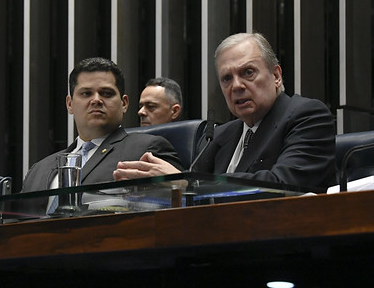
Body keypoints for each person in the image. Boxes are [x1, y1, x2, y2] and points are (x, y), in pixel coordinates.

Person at [114, 32, 337, 191]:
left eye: (248, 72)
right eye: (227, 78)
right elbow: (191, 192)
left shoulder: (307, 116)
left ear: (276, 76)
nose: (236, 86)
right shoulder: (220, 135)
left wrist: (185, 182)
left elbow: (283, 185)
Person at [21, 57, 183, 193]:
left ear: (124, 103)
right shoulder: (38, 169)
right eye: (86, 93)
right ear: (70, 104)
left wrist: (181, 184)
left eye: (106, 93)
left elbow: (181, 203)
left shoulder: (147, 149)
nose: (96, 100)